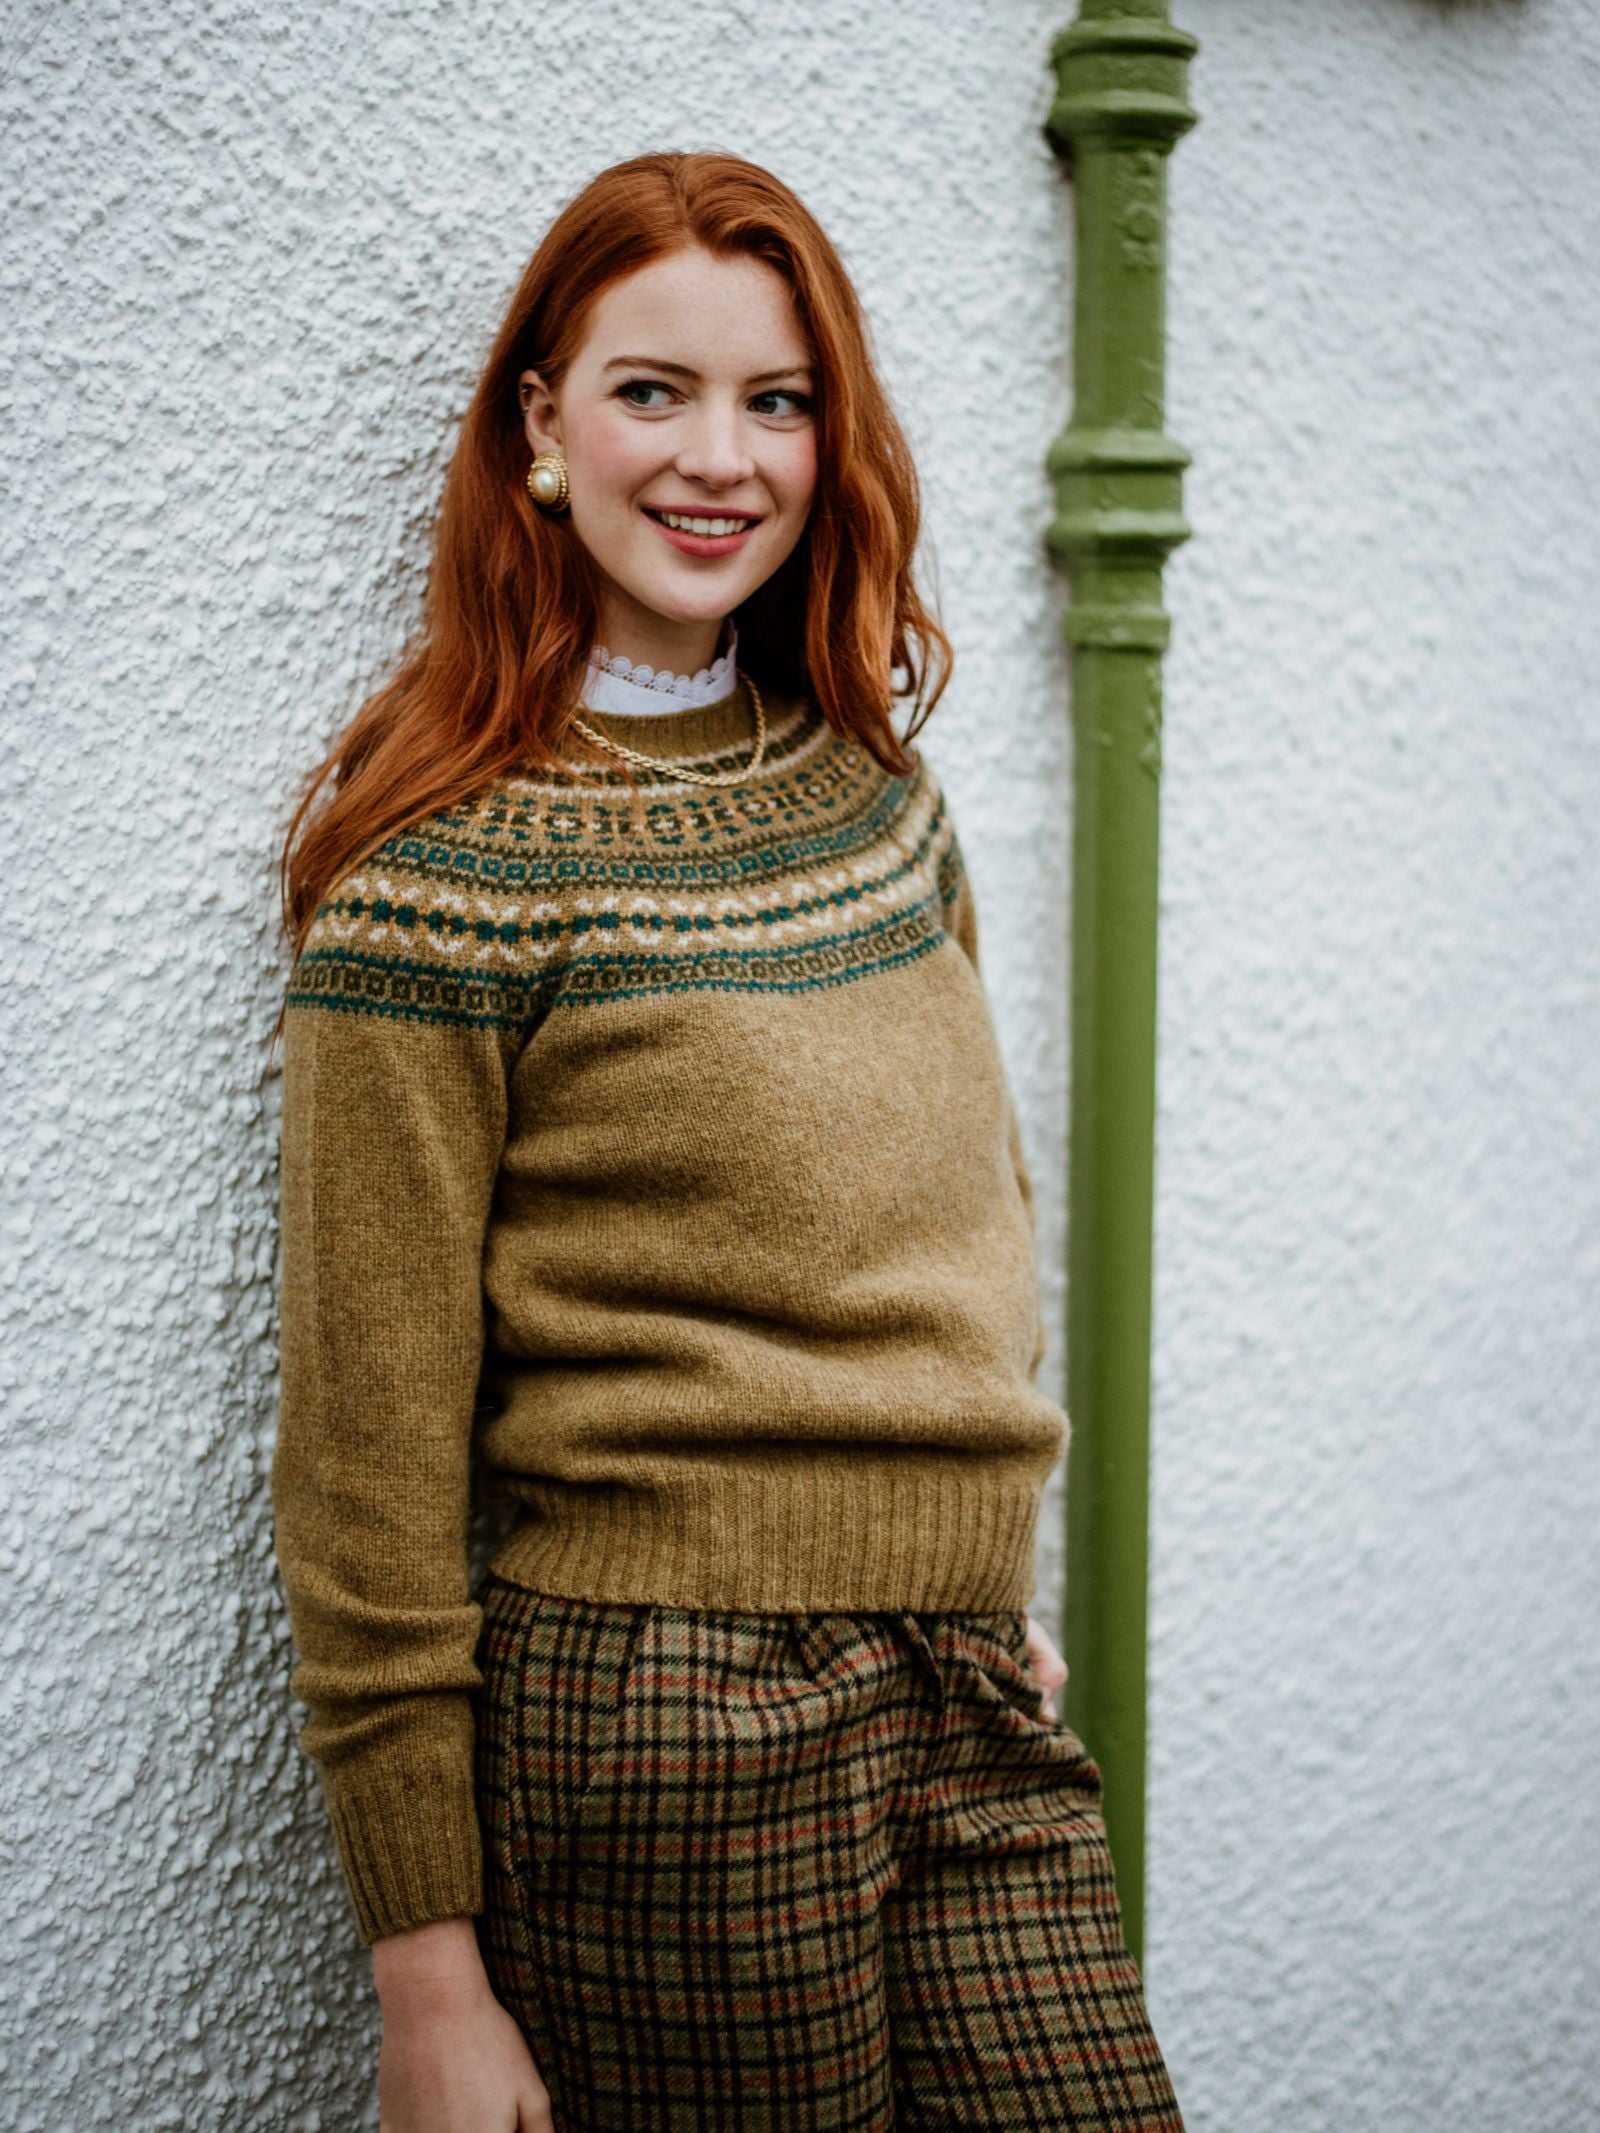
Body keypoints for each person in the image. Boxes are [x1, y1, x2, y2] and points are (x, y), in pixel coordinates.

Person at [270, 149, 1183, 2133]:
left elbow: (961, 1210)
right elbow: (365, 1464)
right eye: (649, 390)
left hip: (963, 1678)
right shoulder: (436, 888)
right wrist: (427, 1974)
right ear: (540, 426)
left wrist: (971, 1562)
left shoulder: (874, 796)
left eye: (774, 399)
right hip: (668, 1720)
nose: (718, 457)